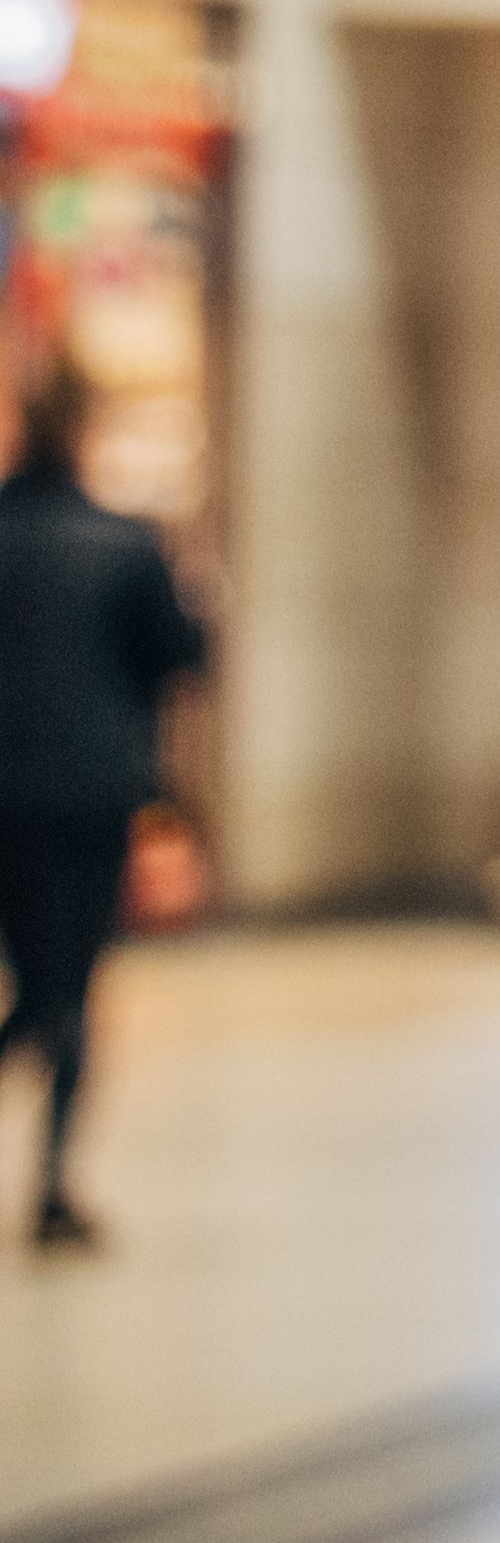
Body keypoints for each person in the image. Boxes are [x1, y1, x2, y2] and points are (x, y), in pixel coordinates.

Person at [0, 363, 202, 1257]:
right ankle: (51, 1187)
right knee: (67, 991)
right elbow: (182, 652)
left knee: (38, 987)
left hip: (9, 799)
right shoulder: (124, 545)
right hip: (89, 797)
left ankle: (53, 1189)